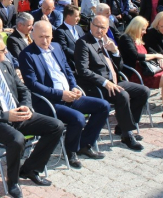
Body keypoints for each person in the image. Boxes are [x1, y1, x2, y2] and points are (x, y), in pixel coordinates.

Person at [0, 33, 64, 198]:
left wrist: (27, 106)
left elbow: (23, 89)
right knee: (17, 139)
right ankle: (13, 182)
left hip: (17, 114)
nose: (7, 53)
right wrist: (6, 116)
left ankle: (30, 169)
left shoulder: (6, 66)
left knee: (56, 126)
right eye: (3, 50)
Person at [20, 21, 109, 168]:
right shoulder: (27, 55)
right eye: (41, 37)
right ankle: (71, 152)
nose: (45, 40)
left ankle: (84, 144)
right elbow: (33, 85)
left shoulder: (57, 47)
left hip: (69, 96)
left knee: (103, 106)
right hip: (49, 102)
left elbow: (67, 70)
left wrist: (74, 87)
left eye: (48, 36)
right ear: (32, 35)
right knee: (78, 118)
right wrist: (61, 94)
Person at [74, 15, 150, 150]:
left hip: (113, 81)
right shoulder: (83, 43)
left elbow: (119, 67)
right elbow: (83, 70)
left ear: (107, 28)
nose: (99, 30)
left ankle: (124, 126)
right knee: (123, 95)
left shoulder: (106, 42)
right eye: (96, 26)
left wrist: (115, 52)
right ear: (91, 25)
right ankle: (127, 135)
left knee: (143, 91)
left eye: (102, 27)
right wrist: (104, 82)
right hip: (96, 86)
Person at [120, 17, 163, 128]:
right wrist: (156, 55)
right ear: (136, 27)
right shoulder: (126, 38)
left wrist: (158, 56)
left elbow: (150, 50)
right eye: (143, 29)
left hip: (146, 70)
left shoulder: (140, 38)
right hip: (135, 74)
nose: (145, 32)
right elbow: (136, 56)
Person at [53, 5, 85, 72]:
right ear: (68, 16)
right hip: (71, 64)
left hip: (84, 61)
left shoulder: (79, 28)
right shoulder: (60, 31)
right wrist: (78, 56)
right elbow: (64, 48)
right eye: (76, 16)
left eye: (79, 16)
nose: (79, 18)